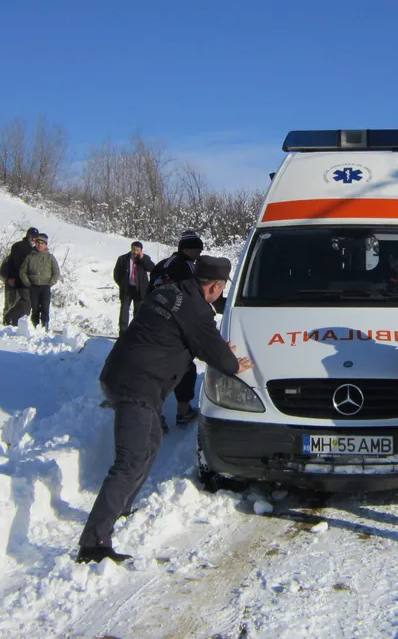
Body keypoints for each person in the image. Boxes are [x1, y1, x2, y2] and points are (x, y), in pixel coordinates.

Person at [76, 255, 253, 564]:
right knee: (129, 460)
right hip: (138, 387)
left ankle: (124, 506)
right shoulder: (197, 310)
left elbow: (184, 337)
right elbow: (222, 360)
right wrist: (233, 362)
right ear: (215, 286)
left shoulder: (168, 291)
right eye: (221, 288)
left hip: (118, 375)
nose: (220, 293)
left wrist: (215, 351)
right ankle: (93, 543)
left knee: (153, 440)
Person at [150, 230, 211, 426]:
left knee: (157, 369)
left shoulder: (160, 266)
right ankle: (183, 411)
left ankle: (156, 416)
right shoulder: (186, 267)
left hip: (152, 322)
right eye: (197, 251)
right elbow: (193, 297)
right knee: (184, 367)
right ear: (189, 250)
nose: (199, 255)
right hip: (175, 325)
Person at [19, 233, 60, 330]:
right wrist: (28, 282)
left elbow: (56, 272)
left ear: (46, 245)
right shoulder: (30, 257)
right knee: (35, 308)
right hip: (33, 287)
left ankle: (45, 327)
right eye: (38, 242)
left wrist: (50, 283)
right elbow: (22, 271)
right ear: (35, 243)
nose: (40, 245)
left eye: (42, 243)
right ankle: (35, 326)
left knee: (45, 308)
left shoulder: (50, 257)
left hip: (45, 287)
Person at [113, 241, 155, 335]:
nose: (135, 252)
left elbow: (152, 268)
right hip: (127, 289)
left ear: (140, 251)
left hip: (139, 290)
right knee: (124, 311)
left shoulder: (144, 259)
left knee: (138, 312)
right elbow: (116, 273)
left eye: (137, 250)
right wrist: (122, 284)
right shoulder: (123, 259)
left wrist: (143, 259)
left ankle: (135, 333)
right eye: (133, 249)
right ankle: (123, 332)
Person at [0, 227, 39, 325]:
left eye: (36, 237)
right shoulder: (19, 246)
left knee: (23, 303)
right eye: (33, 236)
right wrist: (10, 277)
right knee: (12, 301)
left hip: (23, 281)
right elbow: (14, 263)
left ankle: (11, 320)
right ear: (28, 235)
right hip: (14, 279)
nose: (34, 239)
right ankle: (8, 321)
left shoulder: (33, 250)